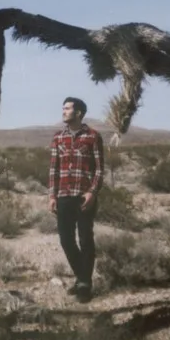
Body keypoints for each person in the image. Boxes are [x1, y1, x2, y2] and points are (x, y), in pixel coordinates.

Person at [48, 96, 104, 303]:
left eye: (67, 108)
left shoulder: (93, 136)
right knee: (65, 240)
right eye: (63, 108)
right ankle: (83, 278)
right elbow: (53, 169)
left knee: (86, 239)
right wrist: (51, 195)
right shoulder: (57, 138)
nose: (63, 111)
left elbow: (99, 169)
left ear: (78, 113)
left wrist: (92, 192)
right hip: (63, 195)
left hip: (84, 196)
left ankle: (83, 285)